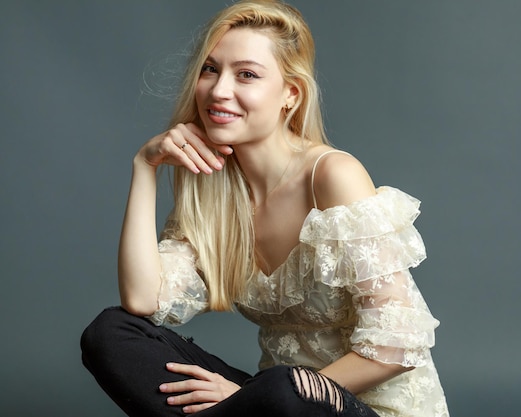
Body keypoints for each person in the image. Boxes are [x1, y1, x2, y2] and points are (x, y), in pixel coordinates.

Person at [80, 1, 449, 416]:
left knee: (283, 386)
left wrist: (249, 396)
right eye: (210, 69)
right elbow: (143, 301)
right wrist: (144, 167)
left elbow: (396, 345)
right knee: (110, 333)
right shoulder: (215, 192)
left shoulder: (331, 175)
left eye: (247, 75)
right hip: (265, 402)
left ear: (290, 94)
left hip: (353, 406)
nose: (219, 90)